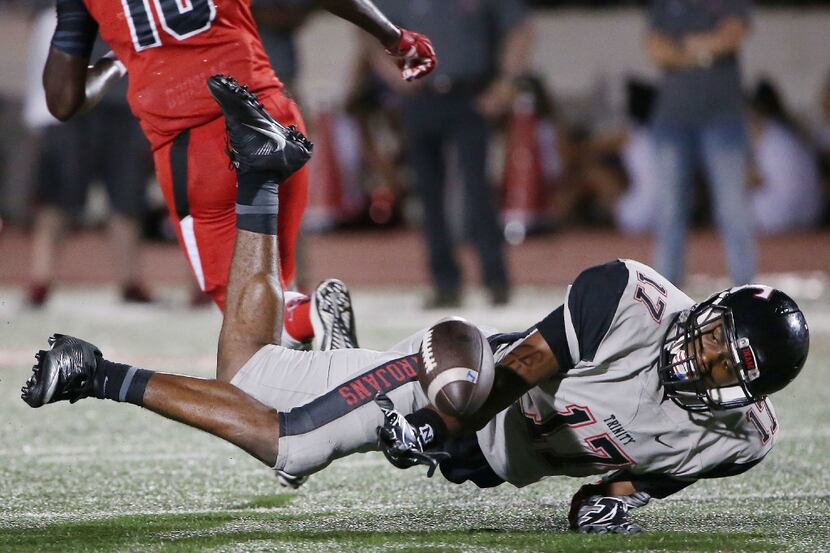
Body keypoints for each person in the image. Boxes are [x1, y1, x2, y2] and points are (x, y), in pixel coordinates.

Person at [22, 77, 810, 534]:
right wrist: (440, 422)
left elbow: (660, 471)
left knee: (248, 370)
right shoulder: (630, 297)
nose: (702, 355)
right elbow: (514, 372)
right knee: (290, 440)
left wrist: (614, 501)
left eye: (725, 365)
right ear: (709, 309)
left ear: (750, 393)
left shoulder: (742, 439)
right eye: (714, 335)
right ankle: (97, 372)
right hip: (465, 375)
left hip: (490, 452)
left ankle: (266, 184)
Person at [41, 0, 436, 344]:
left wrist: (116, 61)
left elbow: (62, 100)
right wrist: (393, 36)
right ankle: (319, 384)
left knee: (249, 320)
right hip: (272, 113)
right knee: (274, 290)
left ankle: (314, 314)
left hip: (195, 140)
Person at [368, 0, 534, 308]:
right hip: (422, 98)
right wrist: (394, 76)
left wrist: (506, 85)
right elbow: (372, 31)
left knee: (479, 190)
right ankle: (445, 284)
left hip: (471, 95)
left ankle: (496, 280)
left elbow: (519, 30)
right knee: (428, 193)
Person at [24, 13, 154, 306]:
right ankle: (39, 278)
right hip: (75, 94)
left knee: (127, 195)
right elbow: (50, 23)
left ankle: (130, 279)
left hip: (125, 98)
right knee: (59, 194)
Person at [646, 0, 756, 285]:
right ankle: (667, 289)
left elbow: (733, 36)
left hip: (723, 118)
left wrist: (682, 50)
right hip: (672, 119)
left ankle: (746, 287)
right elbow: (656, 50)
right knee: (670, 209)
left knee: (732, 207)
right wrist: (706, 51)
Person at [747, 79, 823, 234]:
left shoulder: (764, 131)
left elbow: (750, 178)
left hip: (781, 217)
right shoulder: (791, 130)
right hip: (812, 212)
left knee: (729, 205)